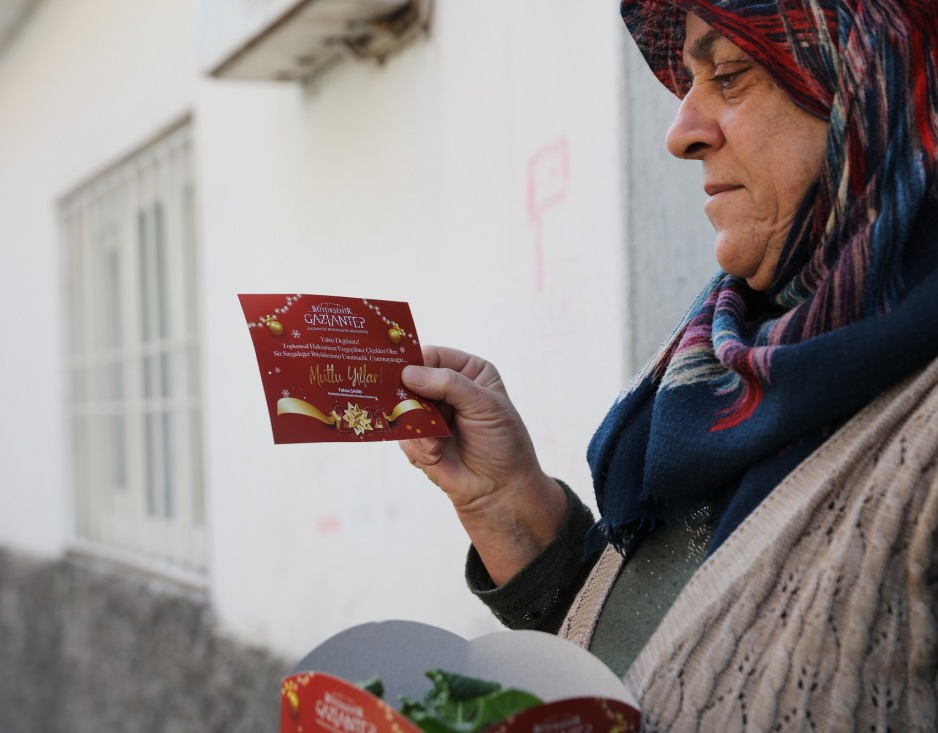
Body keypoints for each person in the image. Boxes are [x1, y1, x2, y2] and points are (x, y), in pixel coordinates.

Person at [401, 0, 938, 729]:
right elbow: (661, 654)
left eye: (730, 75)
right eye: (689, 80)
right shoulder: (722, 362)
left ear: (866, 81)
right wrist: (508, 507)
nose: (680, 132)